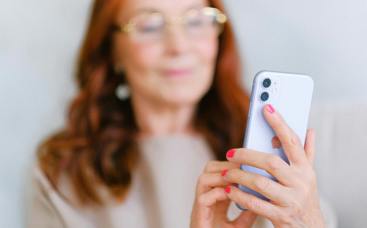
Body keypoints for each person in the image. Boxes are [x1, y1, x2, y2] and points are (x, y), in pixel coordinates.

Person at [27, 0, 327, 227]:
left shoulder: (277, 153)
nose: (179, 46)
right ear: (111, 50)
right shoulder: (64, 173)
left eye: (197, 20)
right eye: (149, 25)